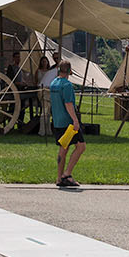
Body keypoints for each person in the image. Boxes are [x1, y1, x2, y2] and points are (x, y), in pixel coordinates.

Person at [50, 60, 85, 188]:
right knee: (81, 146)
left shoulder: (53, 83)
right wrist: (76, 121)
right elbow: (69, 104)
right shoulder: (67, 85)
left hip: (57, 122)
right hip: (68, 123)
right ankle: (67, 174)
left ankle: (59, 178)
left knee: (63, 149)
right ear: (70, 71)